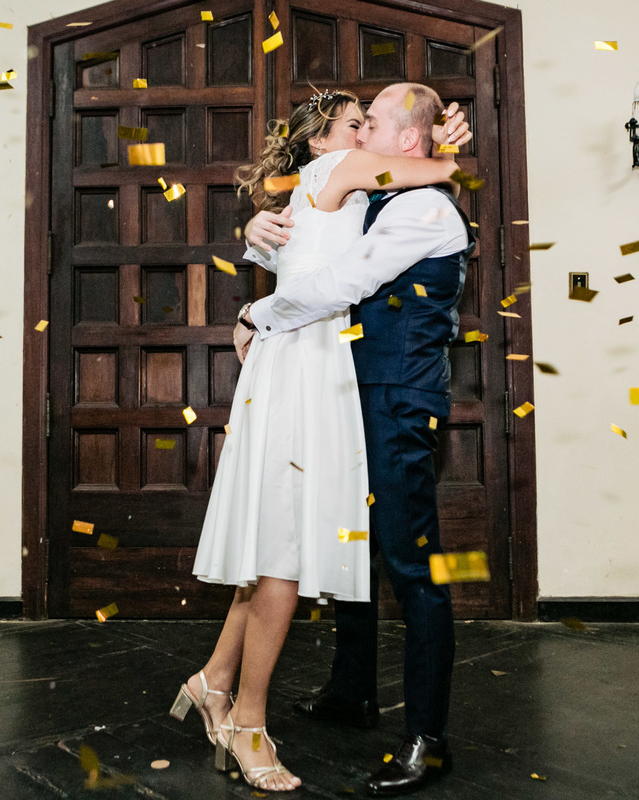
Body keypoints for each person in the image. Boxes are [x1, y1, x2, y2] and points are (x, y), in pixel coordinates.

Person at [170, 88, 471, 793]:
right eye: (353, 122)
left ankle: (423, 734)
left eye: (374, 123)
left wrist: (254, 308)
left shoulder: (415, 204)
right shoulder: (359, 186)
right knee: (323, 541)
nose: (363, 129)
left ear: (399, 141)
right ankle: (327, 692)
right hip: (324, 383)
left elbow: (342, 277)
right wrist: (256, 237)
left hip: (387, 398)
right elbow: (304, 251)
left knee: (399, 563)